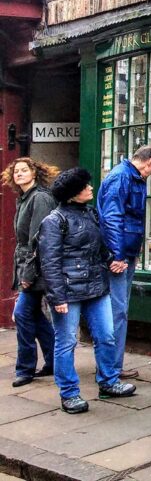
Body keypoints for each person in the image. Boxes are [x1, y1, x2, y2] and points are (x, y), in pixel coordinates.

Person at [40, 168, 136, 414]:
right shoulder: (54, 221)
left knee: (106, 336)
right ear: (73, 194)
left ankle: (108, 381)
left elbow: (98, 247)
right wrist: (57, 297)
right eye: (85, 186)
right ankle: (69, 394)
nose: (91, 189)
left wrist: (113, 259)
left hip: (96, 287)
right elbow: (49, 262)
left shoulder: (91, 213)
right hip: (68, 292)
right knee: (66, 342)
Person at [97, 145, 151, 379]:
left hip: (126, 252)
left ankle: (112, 366)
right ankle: (110, 370)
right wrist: (117, 255)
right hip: (120, 255)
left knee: (118, 311)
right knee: (117, 312)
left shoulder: (131, 177)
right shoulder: (121, 177)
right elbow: (112, 217)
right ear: (149, 161)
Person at [3, 158, 59, 387]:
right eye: (16, 171)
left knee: (24, 315)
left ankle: (25, 369)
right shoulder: (25, 198)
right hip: (28, 264)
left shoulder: (40, 198)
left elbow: (39, 239)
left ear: (35, 173)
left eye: (24, 170)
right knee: (34, 314)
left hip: (36, 268)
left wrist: (27, 275)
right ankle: (54, 360)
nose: (19, 174)